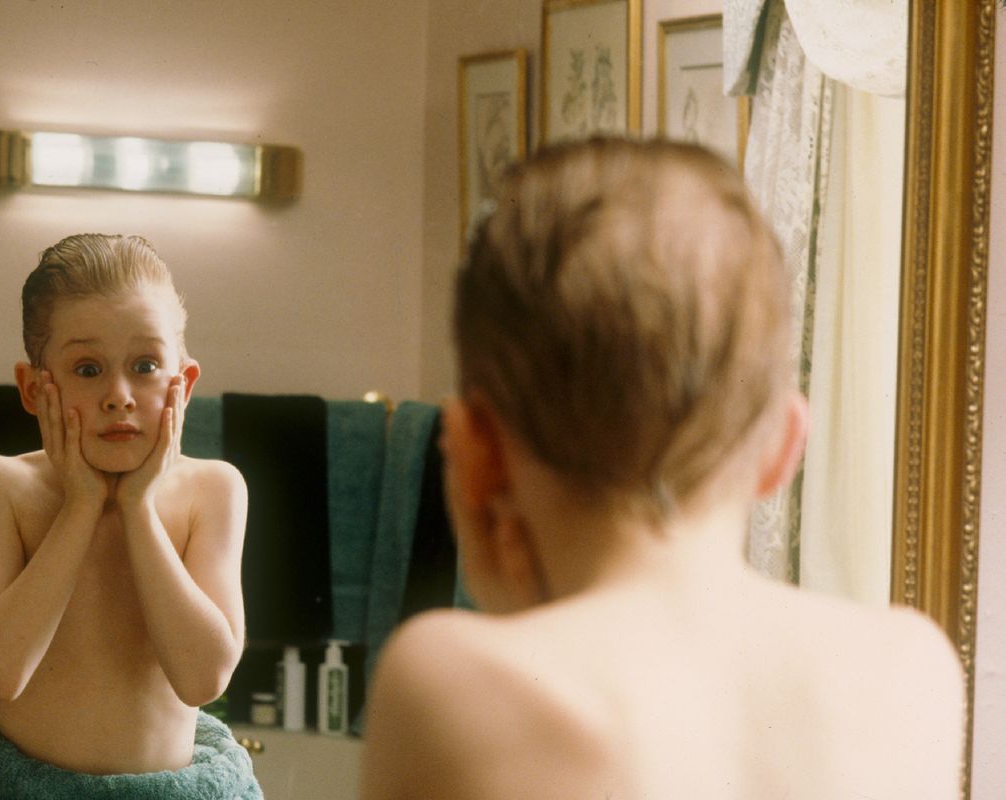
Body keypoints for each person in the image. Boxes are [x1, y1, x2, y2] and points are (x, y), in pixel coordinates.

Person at [359, 138, 964, 800]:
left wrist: (516, 621)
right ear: (784, 447)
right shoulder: (908, 669)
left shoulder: (443, 678)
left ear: (476, 452)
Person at [0, 234, 260, 798]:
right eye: (88, 369)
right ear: (33, 387)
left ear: (184, 383)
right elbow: (0, 673)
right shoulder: (1, 486)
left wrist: (138, 507)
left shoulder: (213, 489)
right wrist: (79, 505)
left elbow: (203, 679)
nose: (119, 395)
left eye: (145, 365)